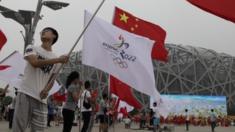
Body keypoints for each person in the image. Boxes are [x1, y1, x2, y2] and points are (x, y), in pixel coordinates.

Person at [12, 27, 69, 132]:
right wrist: (58, 60)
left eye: (47, 30)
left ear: (54, 36)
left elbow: (52, 80)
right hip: (25, 93)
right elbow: (34, 63)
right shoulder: (32, 48)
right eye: (42, 31)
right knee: (18, 129)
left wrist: (46, 90)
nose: (43, 32)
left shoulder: (56, 59)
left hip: (41, 100)